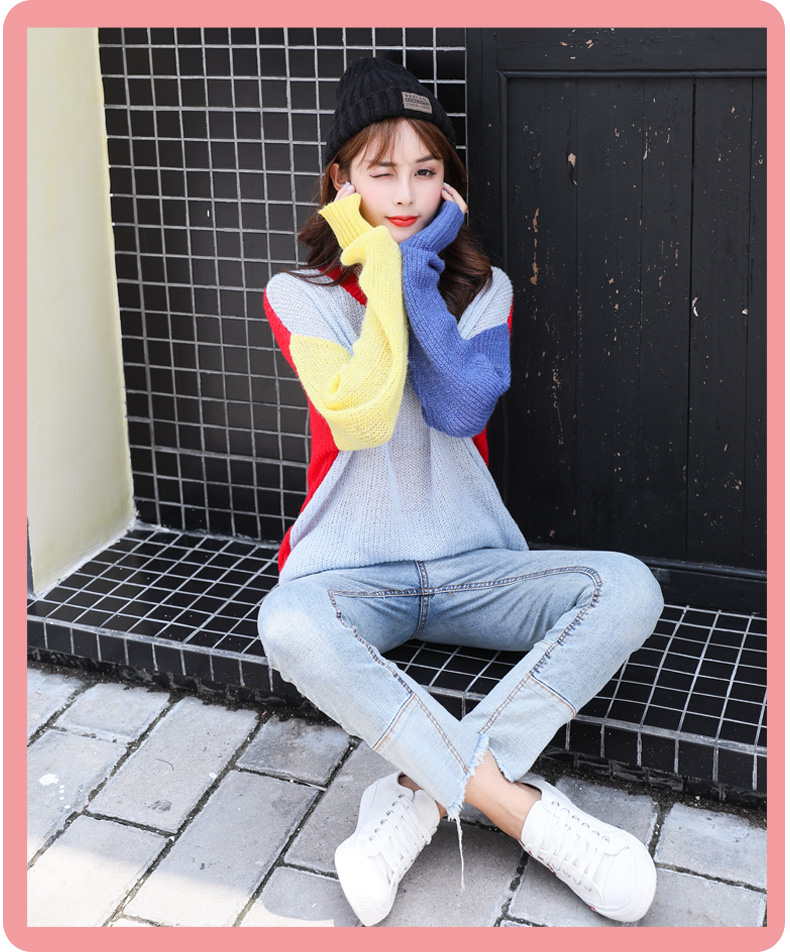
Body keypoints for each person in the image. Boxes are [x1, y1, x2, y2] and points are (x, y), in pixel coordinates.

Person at [257, 55, 665, 927]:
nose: (406, 194)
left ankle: (419, 796)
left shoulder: (484, 291)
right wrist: (380, 267)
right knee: (284, 622)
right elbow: (363, 414)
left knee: (630, 587)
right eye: (382, 171)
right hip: (348, 576)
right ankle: (521, 811)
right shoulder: (298, 296)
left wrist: (415, 275)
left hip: (470, 566)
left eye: (426, 169)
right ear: (341, 181)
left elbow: (457, 406)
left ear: (449, 181)